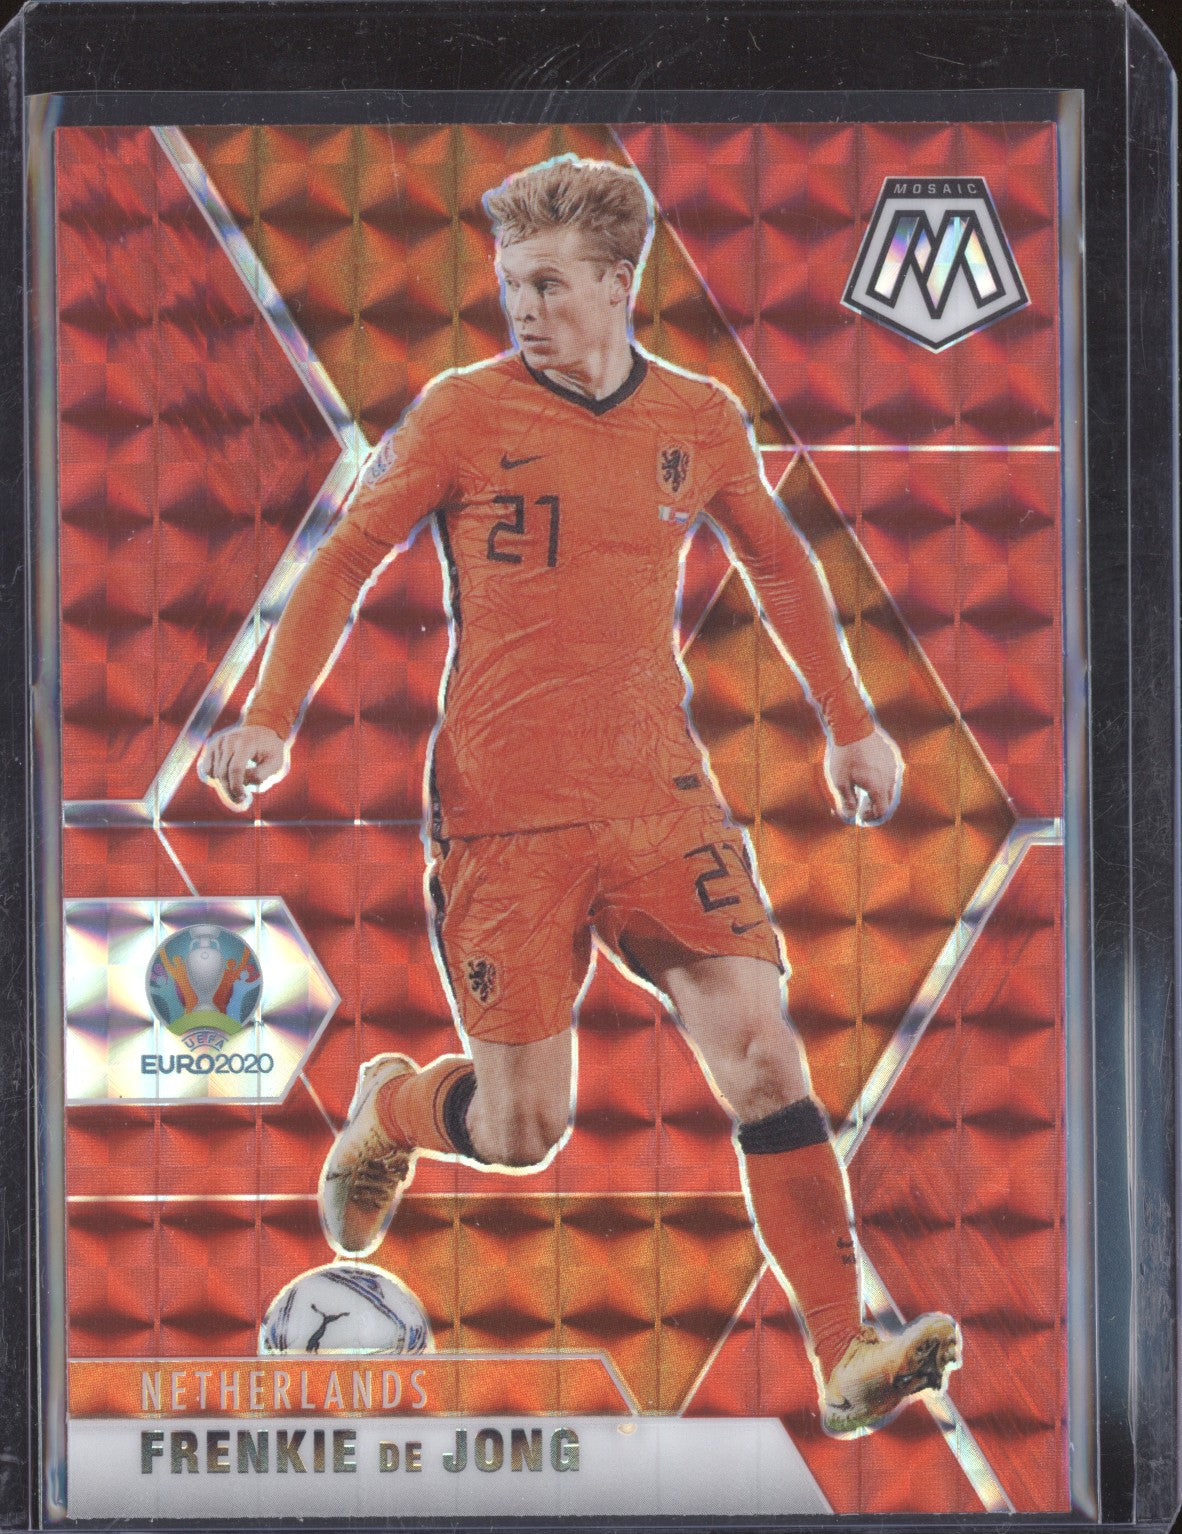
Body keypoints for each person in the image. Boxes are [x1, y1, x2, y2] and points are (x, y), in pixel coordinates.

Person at [201, 154, 960, 1435]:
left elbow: (779, 566)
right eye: (511, 284)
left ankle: (845, 1349)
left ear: (618, 283)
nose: (523, 308)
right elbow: (344, 560)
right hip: (505, 815)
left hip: (662, 798)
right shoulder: (460, 412)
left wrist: (853, 728)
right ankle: (392, 1104)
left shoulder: (700, 420)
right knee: (522, 1131)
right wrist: (268, 716)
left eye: (549, 284)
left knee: (763, 1050)